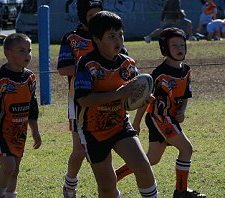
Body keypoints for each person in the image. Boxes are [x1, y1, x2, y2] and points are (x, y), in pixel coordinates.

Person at [74, 11, 158, 197]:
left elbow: (136, 92)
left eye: (120, 34)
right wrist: (118, 94)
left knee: (143, 167)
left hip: (120, 125)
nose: (118, 40)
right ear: (96, 39)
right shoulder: (87, 64)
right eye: (111, 36)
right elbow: (84, 99)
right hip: (92, 131)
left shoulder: (127, 63)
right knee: (107, 185)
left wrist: (143, 99)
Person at [115, 28, 206, 198]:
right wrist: (136, 123)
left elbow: (186, 95)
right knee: (187, 149)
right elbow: (145, 100)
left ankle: (113, 177)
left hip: (171, 119)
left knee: (152, 159)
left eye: (182, 44)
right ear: (165, 48)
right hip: (159, 118)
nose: (180, 48)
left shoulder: (186, 70)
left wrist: (182, 111)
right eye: (174, 45)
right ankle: (181, 192)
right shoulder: (158, 74)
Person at [0, 33, 42, 198]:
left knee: (15, 170)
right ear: (7, 53)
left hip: (19, 131)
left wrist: (35, 131)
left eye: (29, 50)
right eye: (21, 50)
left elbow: (32, 106)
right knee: (8, 167)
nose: (27, 55)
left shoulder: (30, 77)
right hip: (0, 131)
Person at [57, 0, 103, 197]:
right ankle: (70, 186)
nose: (96, 20)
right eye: (91, 16)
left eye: (99, 14)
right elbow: (62, 69)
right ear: (82, 16)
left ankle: (108, 186)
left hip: (107, 98)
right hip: (79, 101)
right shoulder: (72, 38)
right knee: (80, 150)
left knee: (105, 146)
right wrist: (90, 67)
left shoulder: (108, 34)